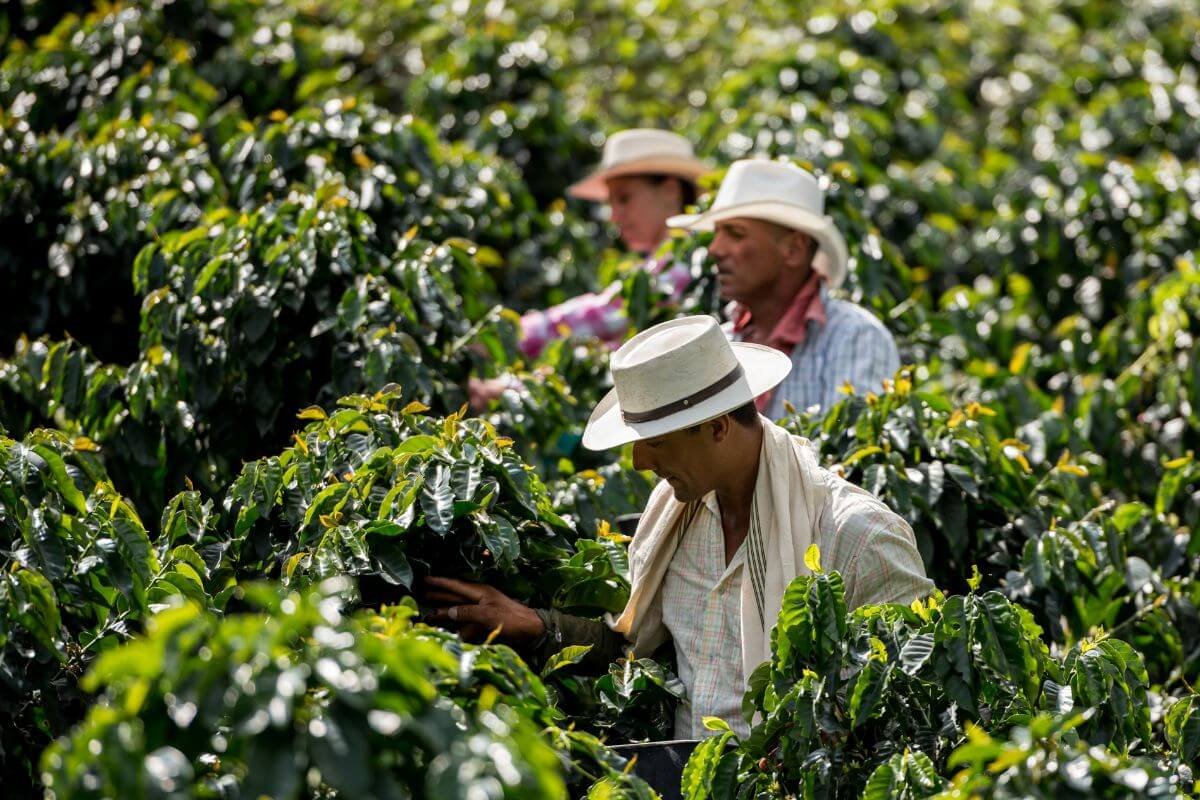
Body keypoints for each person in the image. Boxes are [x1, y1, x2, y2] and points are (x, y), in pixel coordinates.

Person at [428, 315, 933, 738]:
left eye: (655, 441)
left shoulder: (858, 538)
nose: (638, 462)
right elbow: (634, 647)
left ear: (717, 427)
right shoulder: (675, 515)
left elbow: (910, 711)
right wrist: (538, 626)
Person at [469, 129, 708, 409]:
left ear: (669, 190)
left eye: (624, 198)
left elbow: (609, 314)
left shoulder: (688, 258)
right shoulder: (660, 262)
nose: (614, 216)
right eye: (610, 203)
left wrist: (508, 337)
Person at [667, 159, 900, 417]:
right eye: (717, 232)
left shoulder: (854, 338)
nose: (715, 249)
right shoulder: (722, 344)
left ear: (794, 249)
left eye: (736, 233)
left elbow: (851, 440)